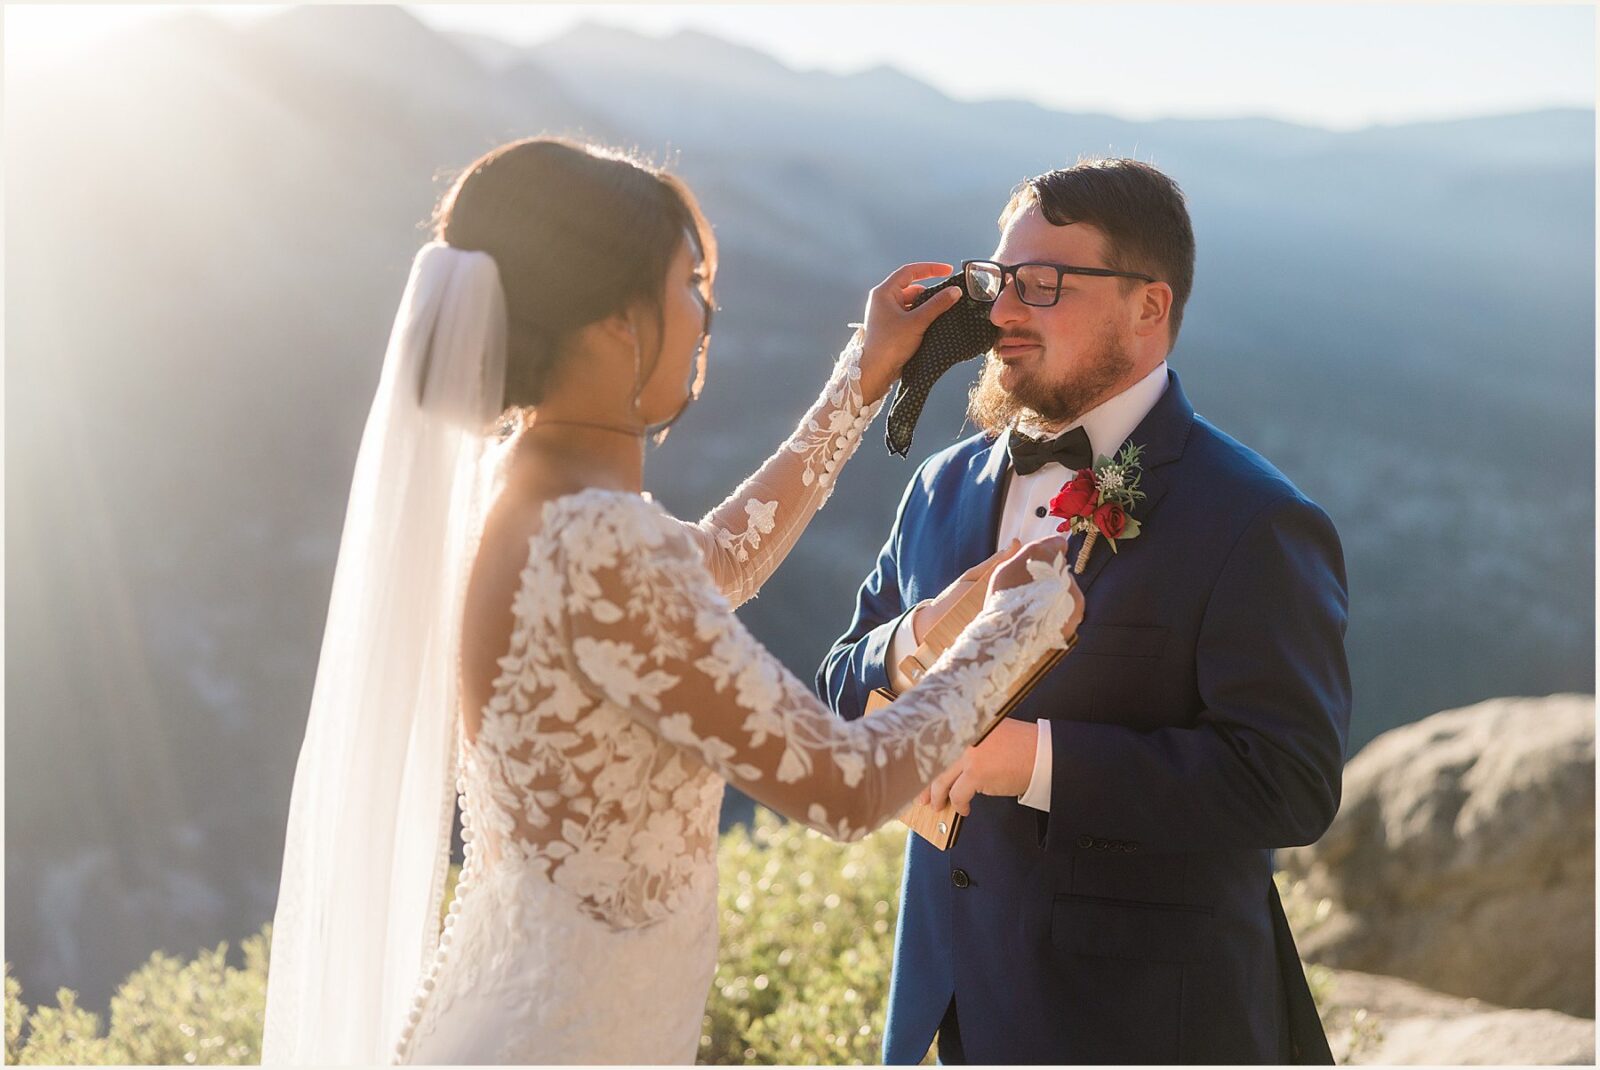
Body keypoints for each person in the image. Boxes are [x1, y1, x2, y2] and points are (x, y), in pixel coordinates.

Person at [258, 136, 1083, 1066]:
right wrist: (1009, 631)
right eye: (691, 283)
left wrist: (866, 373)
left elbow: (718, 560)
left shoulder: (522, 493)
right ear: (618, 322)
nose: (706, 315)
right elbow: (847, 789)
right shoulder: (602, 540)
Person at [817, 157, 1351, 1064]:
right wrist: (915, 639)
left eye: (1043, 284)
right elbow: (839, 680)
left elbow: (1288, 782)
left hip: (1150, 1028)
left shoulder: (1256, 520)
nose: (1001, 311)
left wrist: (1022, 759)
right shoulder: (942, 488)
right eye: (998, 280)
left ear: (1150, 308)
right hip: (949, 1012)